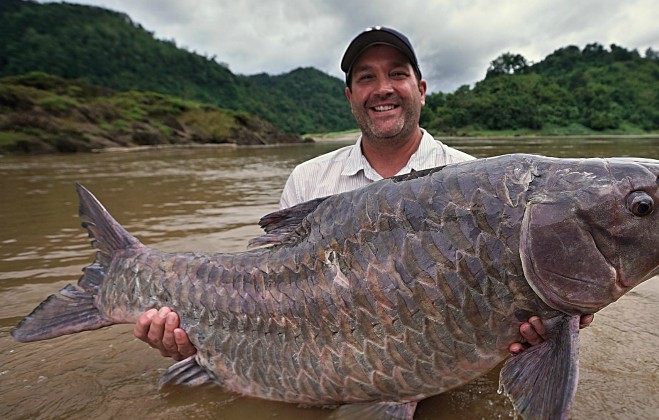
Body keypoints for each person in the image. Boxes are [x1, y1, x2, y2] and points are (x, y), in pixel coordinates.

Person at [134, 26, 593, 361]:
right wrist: (196, 337)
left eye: (397, 73)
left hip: (441, 365)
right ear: (351, 96)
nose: (383, 89)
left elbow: (528, 295)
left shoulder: (478, 180)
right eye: (367, 78)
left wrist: (557, 319)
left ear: (422, 89)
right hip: (336, 362)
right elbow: (270, 295)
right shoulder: (308, 180)